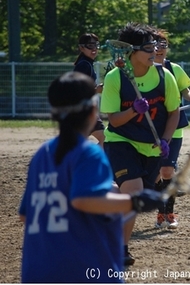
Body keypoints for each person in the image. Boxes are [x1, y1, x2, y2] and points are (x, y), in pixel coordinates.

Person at [19, 71, 164, 282]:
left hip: (38, 269)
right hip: (84, 268)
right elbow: (85, 199)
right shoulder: (88, 153)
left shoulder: (42, 154)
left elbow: (26, 214)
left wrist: (112, 193)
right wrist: (134, 201)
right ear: (93, 111)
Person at [100, 22, 180, 265]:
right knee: (133, 192)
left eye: (155, 46)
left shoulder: (165, 75)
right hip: (121, 141)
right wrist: (134, 111)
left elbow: (174, 112)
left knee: (133, 200)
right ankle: (122, 249)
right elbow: (112, 119)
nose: (154, 51)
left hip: (152, 147)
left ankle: (106, 212)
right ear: (132, 51)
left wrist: (165, 140)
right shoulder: (116, 77)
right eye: (148, 48)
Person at [152, 29, 190, 229]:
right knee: (154, 175)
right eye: (155, 45)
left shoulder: (174, 69)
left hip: (173, 128)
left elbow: (186, 91)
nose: (159, 49)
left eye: (163, 45)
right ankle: (160, 210)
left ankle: (168, 213)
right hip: (149, 128)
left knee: (167, 171)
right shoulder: (141, 70)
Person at [73, 33, 105, 148]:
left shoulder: (86, 63)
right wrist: (97, 90)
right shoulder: (84, 65)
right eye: (90, 45)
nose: (94, 49)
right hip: (83, 111)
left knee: (78, 145)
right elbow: (78, 90)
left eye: (96, 45)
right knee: (105, 139)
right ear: (81, 48)